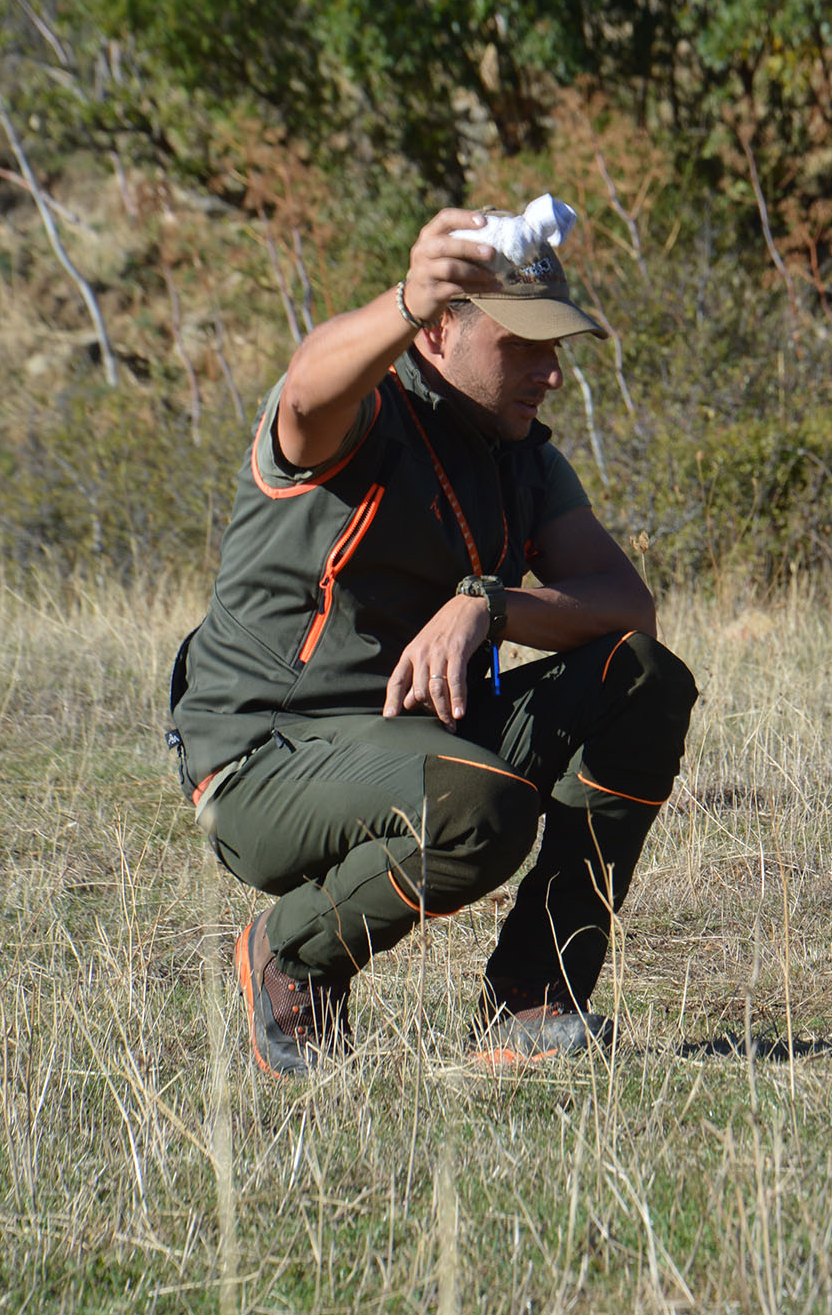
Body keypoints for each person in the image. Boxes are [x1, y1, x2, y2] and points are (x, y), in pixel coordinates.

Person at [165, 200, 697, 1077]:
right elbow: (303, 394)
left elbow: (627, 607)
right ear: (439, 333)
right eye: (521, 344)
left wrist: (490, 603)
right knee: (480, 809)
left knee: (643, 679)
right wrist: (403, 300)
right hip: (266, 758)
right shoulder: (364, 412)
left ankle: (531, 999)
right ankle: (291, 952)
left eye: (555, 346)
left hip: (419, 741)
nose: (550, 372)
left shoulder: (520, 453)